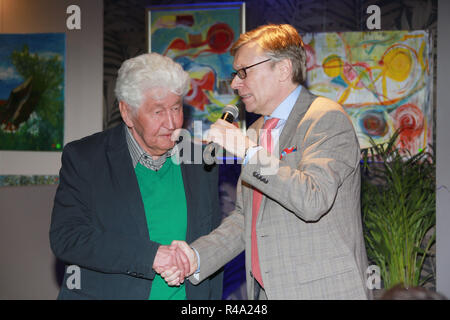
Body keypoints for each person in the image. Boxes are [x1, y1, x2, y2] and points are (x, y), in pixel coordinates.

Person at [164, 24, 371, 300]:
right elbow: (244, 218)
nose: (236, 84)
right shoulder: (257, 130)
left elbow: (313, 199)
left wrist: (246, 151)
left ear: (283, 69)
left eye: (244, 72)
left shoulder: (325, 119)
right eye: (236, 74)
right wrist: (196, 257)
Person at [49, 53, 223, 299]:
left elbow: (212, 245)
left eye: (176, 108)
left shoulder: (201, 160)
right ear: (127, 112)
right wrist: (151, 256)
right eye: (158, 112)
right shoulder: (85, 158)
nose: (172, 123)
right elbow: (67, 237)